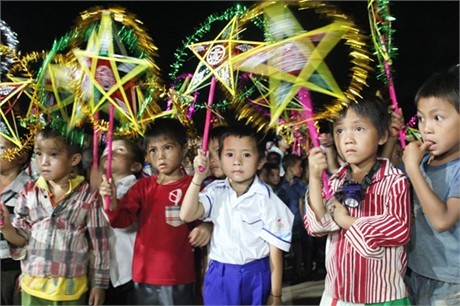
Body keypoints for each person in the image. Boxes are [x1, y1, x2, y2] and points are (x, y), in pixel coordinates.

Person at [305, 95, 411, 304]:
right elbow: (318, 225)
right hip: (339, 294)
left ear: (382, 136)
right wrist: (315, 178)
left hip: (383, 295)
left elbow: (399, 230)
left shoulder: (394, 181)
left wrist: (347, 222)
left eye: (359, 129)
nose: (347, 138)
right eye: (340, 130)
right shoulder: (336, 182)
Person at [99, 117, 211, 305]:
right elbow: (121, 220)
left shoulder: (194, 185)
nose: (160, 156)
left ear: (183, 149)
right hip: (143, 275)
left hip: (179, 276)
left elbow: (209, 219)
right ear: (147, 156)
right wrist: (111, 202)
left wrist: (207, 227)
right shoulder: (143, 187)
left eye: (167, 147)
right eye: (153, 150)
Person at [180, 126, 294, 306]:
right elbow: (186, 215)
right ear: (219, 158)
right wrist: (197, 178)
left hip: (256, 274)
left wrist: (276, 294)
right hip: (220, 273)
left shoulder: (269, 200)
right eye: (230, 154)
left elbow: (275, 250)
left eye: (246, 155)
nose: (237, 161)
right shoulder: (215, 192)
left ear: (260, 161)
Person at [0, 125, 110, 306]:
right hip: (33, 286)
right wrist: (6, 228)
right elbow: (22, 240)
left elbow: (99, 244)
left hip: (71, 288)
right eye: (38, 153)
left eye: (53, 154)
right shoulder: (28, 192)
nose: (43, 161)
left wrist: (99, 284)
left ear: (74, 159)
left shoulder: (88, 195)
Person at [402, 67, 460, 305]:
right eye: (422, 117)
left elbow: (442, 220)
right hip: (415, 272)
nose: (426, 128)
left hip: (450, 282)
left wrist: (413, 169)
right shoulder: (424, 160)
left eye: (438, 117)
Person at [95, 138, 144, 306]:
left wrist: (113, 201)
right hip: (104, 275)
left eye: (120, 150)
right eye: (106, 151)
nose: (111, 153)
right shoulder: (93, 191)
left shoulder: (139, 189)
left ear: (135, 166)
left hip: (131, 274)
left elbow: (126, 223)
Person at [0, 131, 35, 306]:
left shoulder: (30, 190)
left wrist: (27, 271)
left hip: (12, 271)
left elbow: (33, 238)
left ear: (21, 156)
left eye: (1, 148)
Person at [280, 154, 309, 283]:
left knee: (298, 248)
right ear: (290, 168)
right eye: (299, 167)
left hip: (296, 222)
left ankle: (298, 273)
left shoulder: (300, 185)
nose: (301, 169)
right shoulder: (280, 183)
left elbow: (304, 200)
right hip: (282, 223)